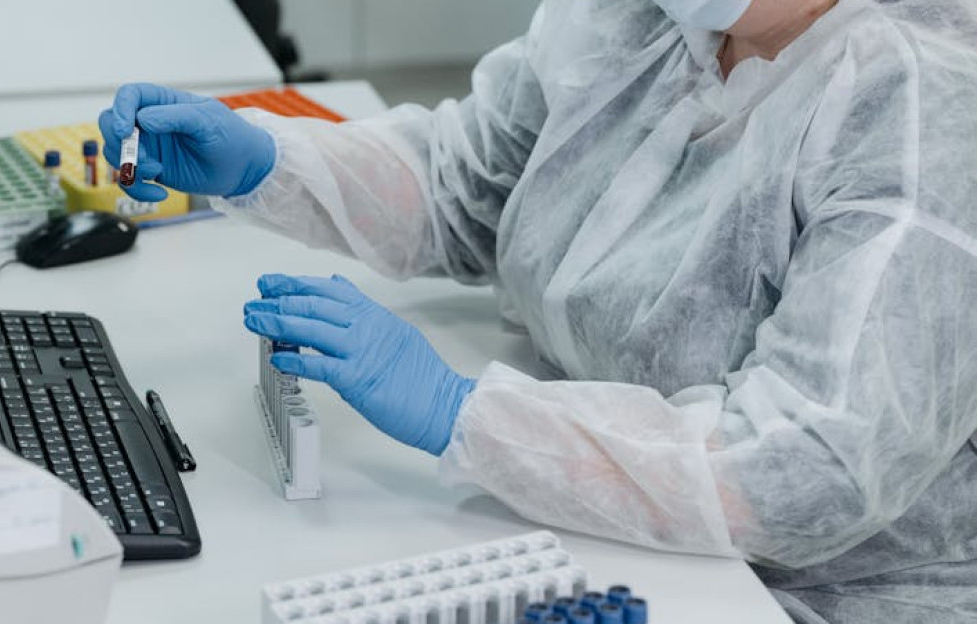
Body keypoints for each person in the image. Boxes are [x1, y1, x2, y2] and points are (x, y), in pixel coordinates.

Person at [99, 0, 977, 621]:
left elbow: (810, 469)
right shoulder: (645, 17)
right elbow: (469, 182)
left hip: (809, 591)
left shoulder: (923, 106)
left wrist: (470, 416)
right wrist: (272, 162)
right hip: (608, 529)